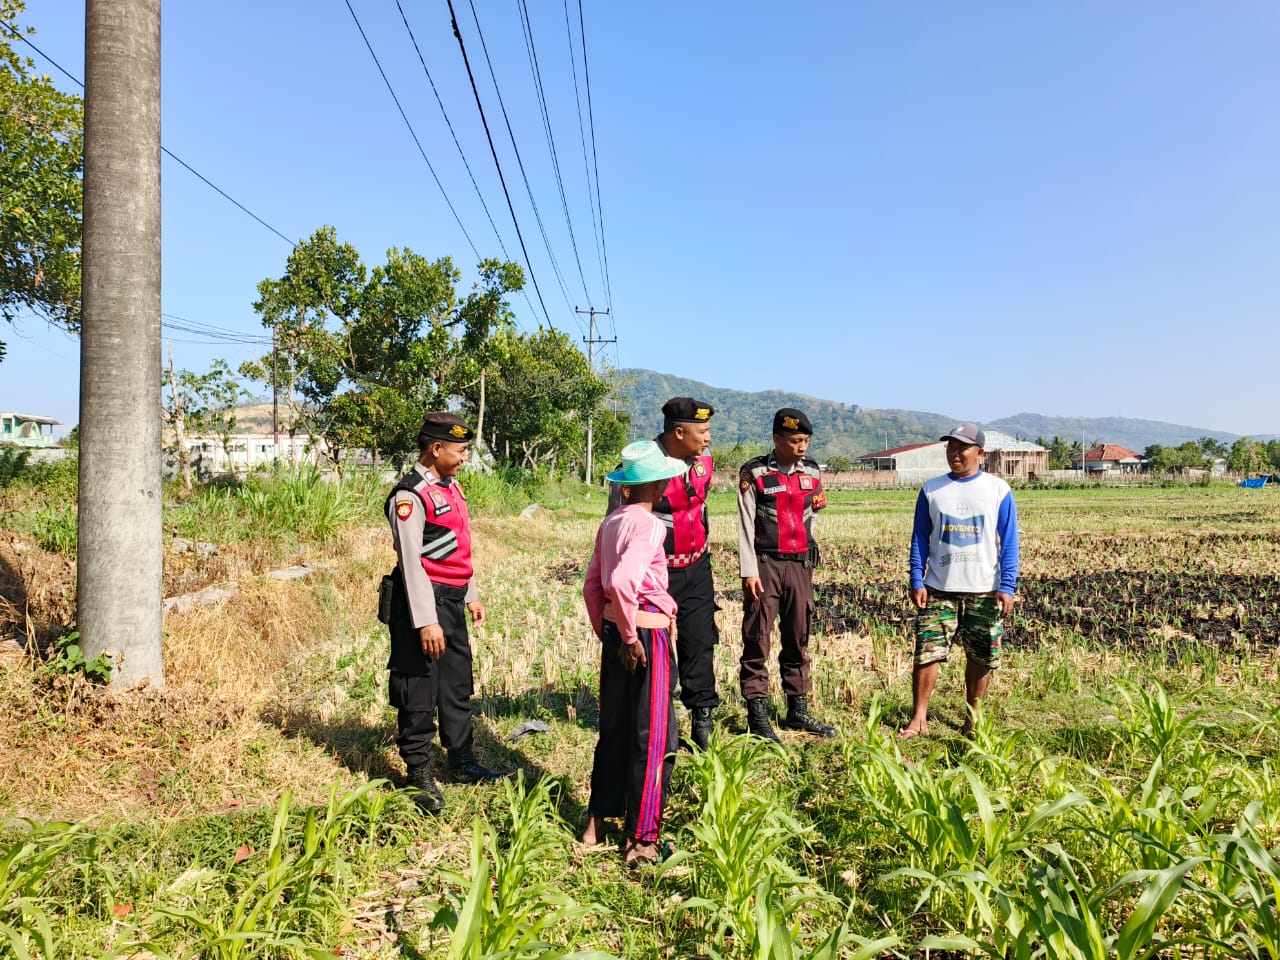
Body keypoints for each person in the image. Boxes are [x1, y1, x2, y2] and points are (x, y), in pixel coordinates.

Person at [384, 412, 507, 814]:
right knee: (418, 687)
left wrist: (471, 594)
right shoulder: (410, 496)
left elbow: (456, 547)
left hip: (451, 601)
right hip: (422, 603)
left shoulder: (451, 488)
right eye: (460, 451)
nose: (465, 458)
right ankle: (418, 773)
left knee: (456, 684)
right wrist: (426, 621)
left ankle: (462, 761)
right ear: (436, 449)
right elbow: (411, 563)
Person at [582, 441, 688, 864]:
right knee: (653, 733)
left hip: (617, 627)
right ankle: (642, 839)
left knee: (615, 726)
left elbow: (593, 587)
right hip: (645, 635)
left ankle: (597, 822)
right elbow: (625, 581)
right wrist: (630, 639)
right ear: (658, 486)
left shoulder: (611, 523)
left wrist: (610, 633)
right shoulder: (650, 526)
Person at [607, 397, 720, 750]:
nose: (708, 438)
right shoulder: (639, 470)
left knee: (700, 642)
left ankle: (702, 719)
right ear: (679, 432)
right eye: (703, 431)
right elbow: (618, 525)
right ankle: (658, 720)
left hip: (697, 566)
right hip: (656, 576)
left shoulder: (704, 462)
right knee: (657, 651)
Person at [901, 422, 1020, 740]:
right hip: (939, 588)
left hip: (984, 590)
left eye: (962, 447)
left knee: (981, 656)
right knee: (927, 653)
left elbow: (1009, 541)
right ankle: (919, 718)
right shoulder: (932, 490)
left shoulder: (998, 490)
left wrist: (1007, 586)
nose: (954, 452)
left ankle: (972, 718)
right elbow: (920, 537)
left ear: (979, 453)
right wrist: (917, 579)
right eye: (950, 446)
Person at [737, 408, 837, 742]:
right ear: (777, 439)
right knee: (757, 637)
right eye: (795, 440)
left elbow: (814, 513)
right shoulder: (754, 472)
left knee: (798, 636)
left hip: (799, 566)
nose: (802, 446)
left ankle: (797, 709)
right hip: (765, 564)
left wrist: (809, 550)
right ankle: (757, 715)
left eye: (806, 440)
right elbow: (744, 523)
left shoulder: (813, 472)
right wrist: (748, 570)